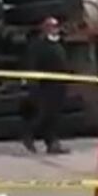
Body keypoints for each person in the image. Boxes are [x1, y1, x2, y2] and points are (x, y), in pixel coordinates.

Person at [21, 16, 72, 155]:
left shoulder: (58, 44)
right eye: (51, 26)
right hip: (45, 86)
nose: (54, 29)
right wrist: (32, 84)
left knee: (54, 116)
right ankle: (28, 136)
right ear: (45, 28)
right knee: (43, 115)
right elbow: (32, 65)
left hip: (59, 85)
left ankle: (52, 144)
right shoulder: (38, 45)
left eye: (56, 26)